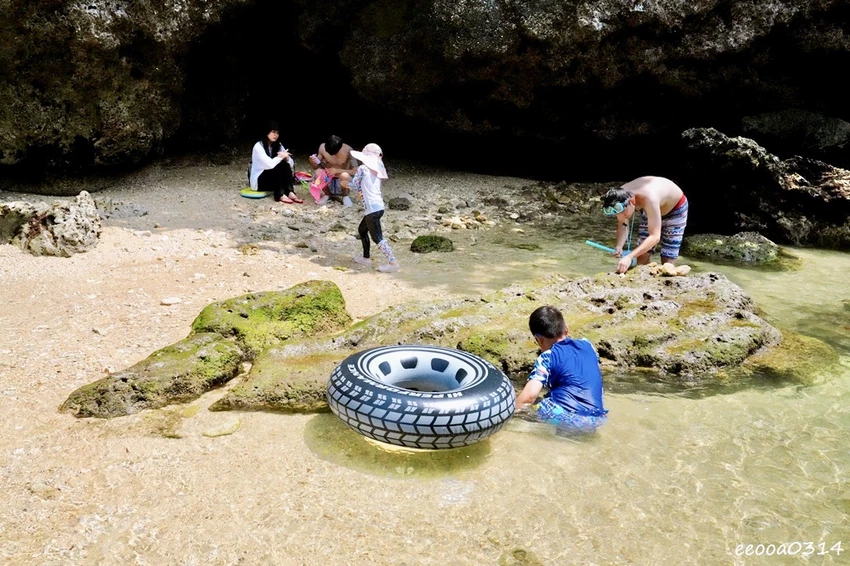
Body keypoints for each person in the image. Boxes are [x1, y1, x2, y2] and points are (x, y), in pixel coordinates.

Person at [515, 305, 608, 432]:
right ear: (566, 329)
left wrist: (508, 413)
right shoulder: (588, 345)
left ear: (539, 339)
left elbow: (529, 396)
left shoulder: (547, 357)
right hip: (598, 419)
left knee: (526, 409)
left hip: (568, 418)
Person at [601, 176, 688, 274]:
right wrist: (619, 246)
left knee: (667, 260)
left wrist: (629, 257)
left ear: (632, 202)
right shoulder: (618, 197)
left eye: (622, 211)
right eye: (616, 212)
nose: (621, 215)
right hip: (650, 210)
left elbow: (655, 237)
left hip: (675, 209)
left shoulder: (649, 198)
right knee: (642, 255)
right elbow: (623, 224)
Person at [342, 143, 400, 273]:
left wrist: (345, 183)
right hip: (378, 207)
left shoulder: (362, 169)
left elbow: (355, 186)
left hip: (372, 209)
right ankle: (365, 258)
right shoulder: (376, 171)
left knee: (378, 238)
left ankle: (393, 262)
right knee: (362, 230)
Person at [250, 121, 303, 204]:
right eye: (273, 132)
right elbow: (270, 164)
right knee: (277, 166)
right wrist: (280, 157)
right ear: (267, 132)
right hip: (259, 181)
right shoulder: (258, 146)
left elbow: (291, 165)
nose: (276, 135)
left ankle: (290, 192)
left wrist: (287, 157)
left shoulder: (278, 145)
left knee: (284, 164)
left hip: (272, 179)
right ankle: (279, 194)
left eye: (277, 133)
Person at [308, 135, 359, 207]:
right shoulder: (322, 147)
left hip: (342, 183)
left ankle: (345, 196)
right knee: (318, 172)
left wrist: (337, 170)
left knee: (345, 175)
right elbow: (316, 167)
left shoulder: (348, 150)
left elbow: (355, 171)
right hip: (327, 181)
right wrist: (313, 162)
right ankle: (327, 195)